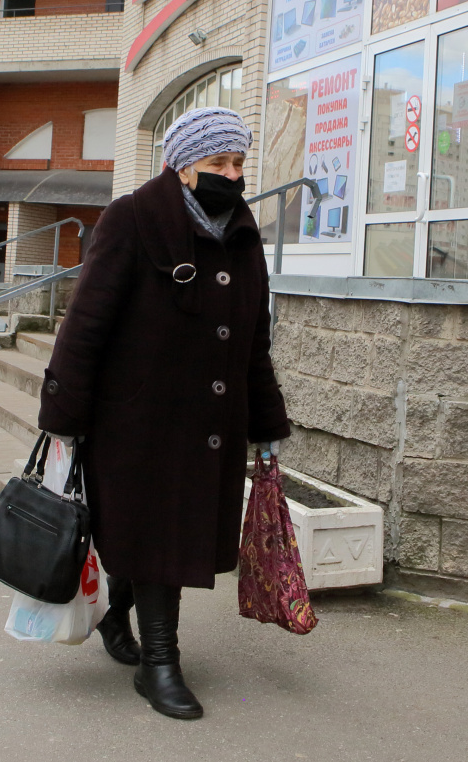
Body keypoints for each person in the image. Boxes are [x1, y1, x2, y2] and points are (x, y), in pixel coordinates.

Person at [37, 107, 290, 720]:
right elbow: (86, 322)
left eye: (237, 163)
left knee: (167, 535)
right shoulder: (133, 220)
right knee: (157, 533)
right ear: (181, 168)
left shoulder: (244, 232)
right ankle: (160, 664)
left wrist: (266, 424)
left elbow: (254, 340)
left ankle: (117, 610)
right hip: (137, 421)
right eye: (217, 163)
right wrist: (64, 408)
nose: (231, 175)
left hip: (211, 424)